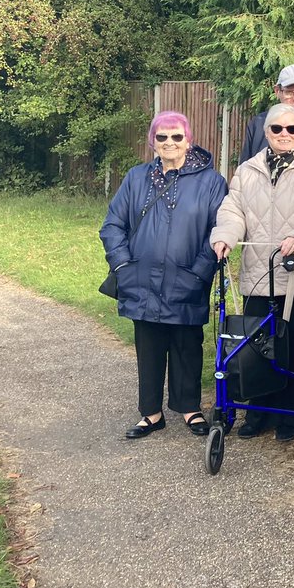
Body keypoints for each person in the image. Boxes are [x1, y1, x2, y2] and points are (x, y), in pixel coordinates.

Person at [211, 103, 294, 440]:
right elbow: (232, 210)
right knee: (257, 347)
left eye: (291, 129)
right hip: (260, 274)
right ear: (266, 132)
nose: (284, 134)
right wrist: (224, 236)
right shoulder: (248, 170)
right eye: (276, 129)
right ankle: (261, 411)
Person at [100, 112, 227, 440]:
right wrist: (123, 266)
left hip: (187, 279)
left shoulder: (211, 182)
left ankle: (189, 408)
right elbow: (113, 225)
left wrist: (199, 274)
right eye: (162, 137)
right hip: (140, 279)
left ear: (189, 139)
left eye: (176, 137)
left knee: (187, 344)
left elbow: (218, 231)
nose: (169, 143)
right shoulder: (136, 177)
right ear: (152, 142)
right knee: (149, 344)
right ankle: (151, 413)